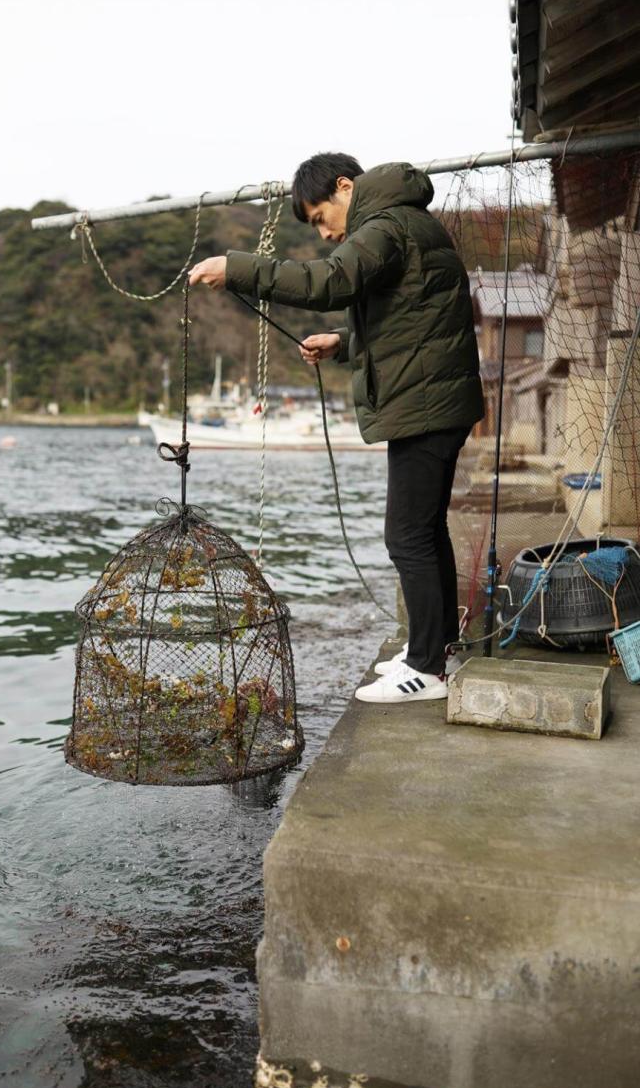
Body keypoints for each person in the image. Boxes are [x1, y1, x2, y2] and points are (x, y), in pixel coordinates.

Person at [189, 152, 484, 704]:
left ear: (345, 187)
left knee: (407, 535)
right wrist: (343, 343)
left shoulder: (385, 226)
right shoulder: (406, 223)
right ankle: (436, 647)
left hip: (426, 404)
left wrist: (236, 267)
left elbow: (329, 282)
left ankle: (427, 669)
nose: (324, 232)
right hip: (435, 399)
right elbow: (414, 321)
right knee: (426, 532)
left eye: (321, 216)